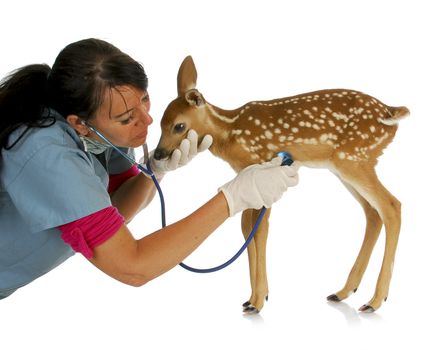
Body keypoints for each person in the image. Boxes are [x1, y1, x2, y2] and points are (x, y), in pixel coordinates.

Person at [0, 38, 299, 300]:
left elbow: (115, 208)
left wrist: (154, 169)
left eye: (145, 99)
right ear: (80, 123)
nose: (147, 121)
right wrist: (232, 198)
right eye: (128, 117)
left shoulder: (101, 128)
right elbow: (133, 267)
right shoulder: (46, 155)